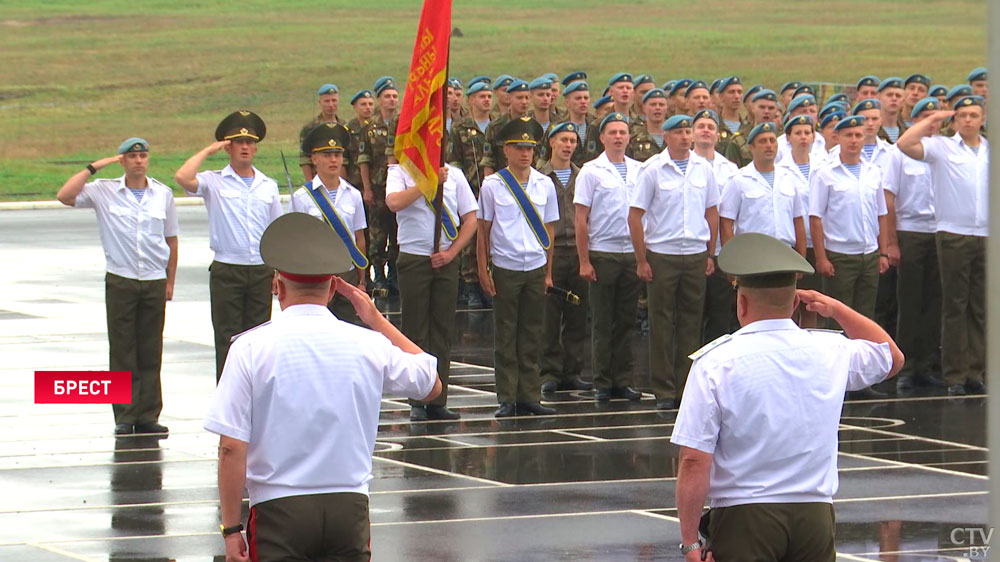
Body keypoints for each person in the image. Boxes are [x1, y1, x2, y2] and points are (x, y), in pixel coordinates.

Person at [206, 212, 440, 562]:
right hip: (349, 508)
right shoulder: (366, 344)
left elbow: (231, 448)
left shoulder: (250, 348)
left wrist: (230, 529)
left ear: (277, 286)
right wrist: (375, 320)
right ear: (333, 290)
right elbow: (432, 385)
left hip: (278, 511)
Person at [671, 232, 903, 562]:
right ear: (795, 303)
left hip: (745, 518)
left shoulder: (715, 363)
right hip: (815, 516)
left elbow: (694, 459)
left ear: (742, 303)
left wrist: (690, 542)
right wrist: (835, 308)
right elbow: (891, 357)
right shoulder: (830, 350)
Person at [57, 137, 178, 436]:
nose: (138, 160)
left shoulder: (162, 194)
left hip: (153, 279)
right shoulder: (104, 191)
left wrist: (170, 281)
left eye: (143, 156)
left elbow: (171, 238)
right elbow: (65, 195)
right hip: (121, 279)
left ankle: (148, 414)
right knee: (123, 349)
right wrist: (94, 166)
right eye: (131, 156)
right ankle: (124, 416)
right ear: (121, 160)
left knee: (151, 349)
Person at [174, 110, 282, 382]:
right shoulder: (213, 180)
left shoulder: (267, 185)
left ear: (255, 148)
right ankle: (228, 400)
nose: (244, 147)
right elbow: (183, 177)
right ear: (228, 147)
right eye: (237, 142)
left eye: (249, 143)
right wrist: (208, 150)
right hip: (227, 269)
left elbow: (277, 230)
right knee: (227, 338)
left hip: (260, 270)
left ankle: (255, 398)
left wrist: (278, 272)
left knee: (258, 340)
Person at [897, 96, 988, 397]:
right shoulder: (943, 147)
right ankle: (956, 375)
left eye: (973, 115)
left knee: (980, 307)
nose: (967, 121)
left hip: (987, 234)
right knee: (954, 305)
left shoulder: (990, 150)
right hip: (953, 233)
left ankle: (976, 371)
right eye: (961, 115)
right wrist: (932, 121)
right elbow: (905, 144)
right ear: (954, 120)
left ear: (983, 118)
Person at [629, 114, 720, 410]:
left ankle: (687, 386)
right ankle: (664, 389)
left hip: (694, 253)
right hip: (662, 253)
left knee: (692, 324)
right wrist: (642, 260)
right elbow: (635, 216)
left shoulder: (704, 169)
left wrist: (709, 253)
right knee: (661, 322)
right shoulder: (652, 169)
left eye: (687, 131)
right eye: (678, 132)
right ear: (665, 137)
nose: (684, 137)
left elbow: (712, 213)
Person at [477, 116, 560, 417]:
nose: (525, 153)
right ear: (506, 150)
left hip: (535, 265)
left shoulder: (545, 185)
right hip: (505, 265)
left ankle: (529, 394)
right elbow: (483, 231)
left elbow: (549, 231)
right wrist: (483, 270)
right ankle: (506, 396)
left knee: (532, 332)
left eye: (530, 148)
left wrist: (548, 272)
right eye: (518, 147)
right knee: (506, 332)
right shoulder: (493, 185)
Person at [386, 161, 478, 421]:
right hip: (414, 258)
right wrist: (427, 184)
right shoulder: (400, 171)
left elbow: (470, 218)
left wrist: (452, 252)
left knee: (442, 330)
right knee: (416, 331)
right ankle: (417, 399)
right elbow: (393, 202)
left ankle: (438, 399)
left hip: (445, 261)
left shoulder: (456, 175)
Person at [575, 113, 643, 403]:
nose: (618, 137)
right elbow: (581, 218)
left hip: (631, 253)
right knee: (603, 321)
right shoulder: (591, 171)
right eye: (612, 132)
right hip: (603, 252)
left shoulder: (641, 170)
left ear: (629, 137)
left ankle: (622, 380)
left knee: (627, 320)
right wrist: (584, 260)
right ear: (602, 138)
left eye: (622, 132)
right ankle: (602, 380)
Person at [882, 98, 945, 393]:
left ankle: (926, 364)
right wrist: (891, 241)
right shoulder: (900, 154)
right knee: (909, 302)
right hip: (911, 230)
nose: (932, 123)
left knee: (936, 302)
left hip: (941, 231)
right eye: (925, 117)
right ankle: (905, 366)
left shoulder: (945, 150)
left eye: (935, 117)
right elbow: (889, 199)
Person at [809, 115, 890, 325]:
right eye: (848, 135)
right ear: (837, 138)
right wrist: (821, 258)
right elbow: (815, 217)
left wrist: (883, 252)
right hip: (840, 255)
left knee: (865, 317)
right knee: (837, 317)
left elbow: (881, 214)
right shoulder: (825, 173)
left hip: (870, 254)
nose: (854, 140)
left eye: (858, 135)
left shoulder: (873, 172)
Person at [288, 123, 368, 323]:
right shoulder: (302, 198)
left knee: (348, 328)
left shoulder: (354, 195)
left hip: (346, 273)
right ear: (314, 159)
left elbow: (359, 239)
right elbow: (296, 243)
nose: (333, 160)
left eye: (337, 154)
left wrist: (361, 280)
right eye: (326, 155)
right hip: (315, 274)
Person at [538, 123, 593, 397]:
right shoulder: (538, 176)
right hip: (551, 249)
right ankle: (548, 372)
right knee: (549, 316)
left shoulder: (582, 176)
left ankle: (573, 372)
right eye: (563, 140)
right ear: (552, 142)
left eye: (572, 140)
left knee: (577, 316)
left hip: (577, 250)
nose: (568, 145)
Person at [720, 122, 807, 256]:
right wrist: (732, 259)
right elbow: (726, 223)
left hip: (785, 253)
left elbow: (798, 219)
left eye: (772, 140)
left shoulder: (789, 178)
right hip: (752, 253)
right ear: (751, 148)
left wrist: (802, 256)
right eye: (762, 141)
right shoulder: (738, 180)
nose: (769, 145)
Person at [449, 81, 493, 308]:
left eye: (489, 96)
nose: (487, 100)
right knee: (469, 239)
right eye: (481, 96)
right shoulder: (460, 127)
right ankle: (471, 285)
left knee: (491, 237)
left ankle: (489, 282)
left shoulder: (496, 126)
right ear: (470, 100)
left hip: (494, 190)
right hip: (470, 189)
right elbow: (454, 159)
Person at [299, 83, 344, 181]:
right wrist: (310, 184)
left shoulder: (344, 126)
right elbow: (304, 159)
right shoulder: (310, 127)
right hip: (318, 179)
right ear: (320, 102)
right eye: (327, 101)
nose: (331, 105)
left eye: (334, 100)